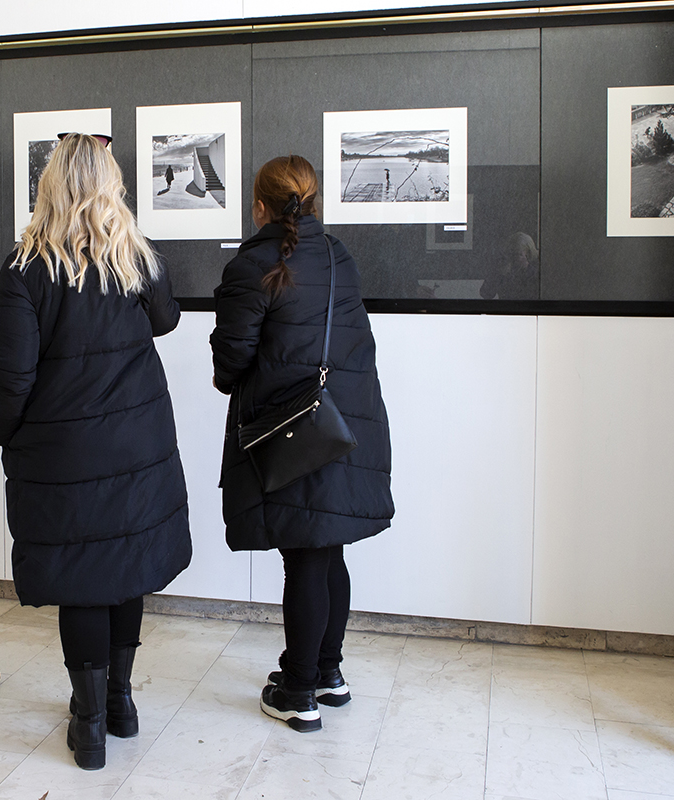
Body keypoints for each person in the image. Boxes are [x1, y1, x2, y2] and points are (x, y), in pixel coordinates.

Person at [0, 134, 192, 770]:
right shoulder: (134, 257)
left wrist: (5, 433)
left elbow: (11, 377)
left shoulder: (25, 269)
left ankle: (91, 722)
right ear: (109, 185)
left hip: (64, 449)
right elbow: (167, 320)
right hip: (137, 442)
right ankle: (122, 701)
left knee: (84, 579)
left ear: (50, 186)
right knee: (126, 564)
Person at [210, 155, 393, 733]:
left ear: (259, 205)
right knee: (327, 550)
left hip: (295, 430)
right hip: (344, 424)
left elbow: (230, 360)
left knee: (307, 557)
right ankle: (326, 673)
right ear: (311, 202)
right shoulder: (339, 257)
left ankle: (298, 690)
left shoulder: (254, 265)